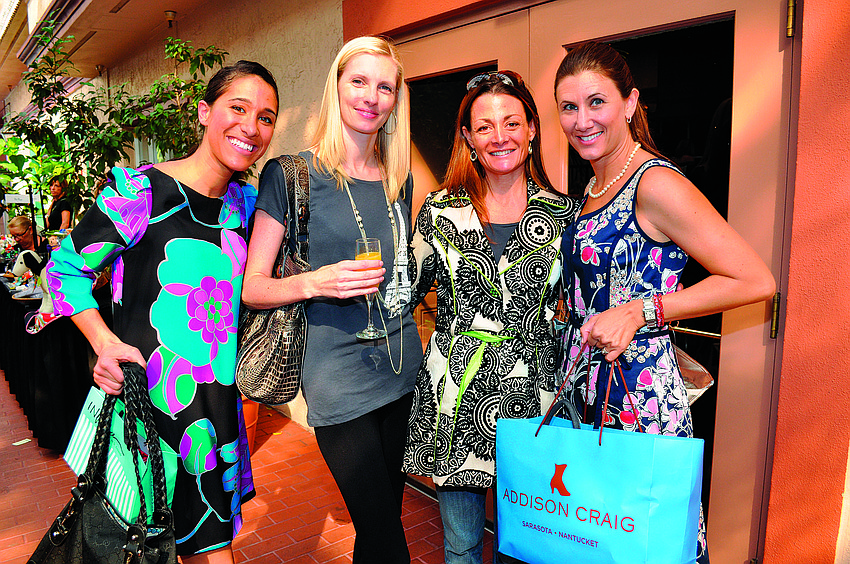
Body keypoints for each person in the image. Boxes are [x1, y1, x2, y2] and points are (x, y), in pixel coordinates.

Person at [46, 60, 279, 563]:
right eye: (238, 108)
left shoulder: (247, 206)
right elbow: (63, 270)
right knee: (139, 549)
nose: (251, 126)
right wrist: (104, 343)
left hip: (216, 418)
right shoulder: (140, 193)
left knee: (210, 545)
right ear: (204, 112)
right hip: (149, 412)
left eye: (265, 117)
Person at [553, 41, 776, 563]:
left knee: (645, 544)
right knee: (595, 539)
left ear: (630, 103)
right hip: (589, 389)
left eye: (596, 102)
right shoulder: (595, 184)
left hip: (638, 399)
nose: (582, 120)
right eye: (568, 107)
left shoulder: (654, 183)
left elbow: (754, 279)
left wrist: (641, 310)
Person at [242, 36, 422, 564]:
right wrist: (315, 282)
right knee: (388, 538)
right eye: (358, 81)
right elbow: (252, 286)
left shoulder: (400, 179)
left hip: (401, 369)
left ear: (396, 100)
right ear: (336, 86)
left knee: (379, 527)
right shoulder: (291, 175)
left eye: (384, 86)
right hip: (337, 380)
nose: (371, 96)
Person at [402, 70, 580, 564]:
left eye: (511, 123)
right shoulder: (440, 210)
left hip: (536, 397)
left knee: (524, 543)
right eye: (484, 127)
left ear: (532, 129)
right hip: (457, 399)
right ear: (468, 137)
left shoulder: (566, 215)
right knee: (461, 545)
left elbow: (583, 306)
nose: (499, 136)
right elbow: (403, 291)